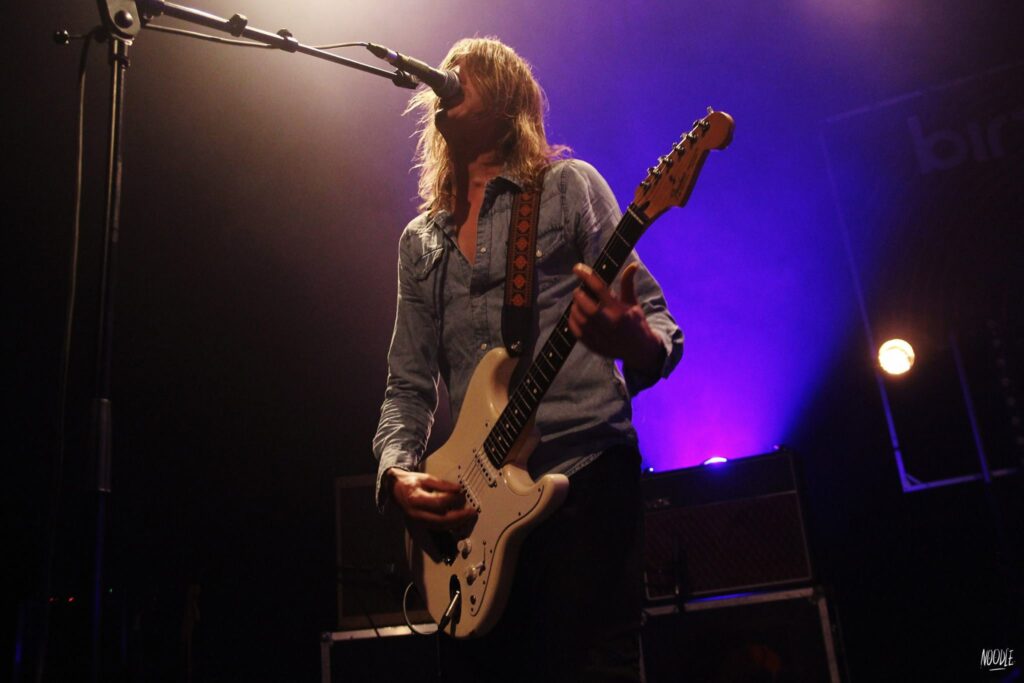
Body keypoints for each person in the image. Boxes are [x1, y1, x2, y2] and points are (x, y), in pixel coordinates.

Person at [372, 37, 683, 682]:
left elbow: (657, 323)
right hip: (473, 519)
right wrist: (396, 475)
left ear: (507, 96)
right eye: (445, 73)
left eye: (467, 72)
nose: (447, 78)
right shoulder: (419, 242)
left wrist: (632, 341)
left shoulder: (568, 188)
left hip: (584, 485)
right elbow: (408, 386)